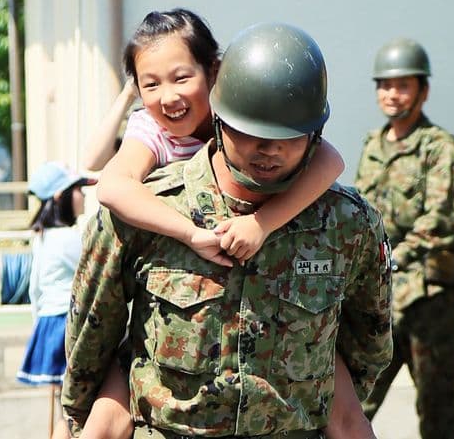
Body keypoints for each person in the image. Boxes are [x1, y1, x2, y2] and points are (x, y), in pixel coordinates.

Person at [62, 22, 393, 439]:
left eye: (289, 136)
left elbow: (368, 348)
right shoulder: (145, 214)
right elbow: (90, 346)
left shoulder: (348, 225)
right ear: (220, 118)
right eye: (252, 132)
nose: (270, 149)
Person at [95, 8, 345, 268]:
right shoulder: (152, 129)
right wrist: (189, 233)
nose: (168, 98)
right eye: (151, 85)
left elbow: (330, 161)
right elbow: (113, 186)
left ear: (213, 71)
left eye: (181, 78)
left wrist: (263, 224)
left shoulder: (235, 114)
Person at [354, 38, 454, 439]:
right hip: (376, 302)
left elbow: (441, 217)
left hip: (425, 302)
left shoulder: (440, 149)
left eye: (403, 85)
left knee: (437, 411)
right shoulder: (372, 145)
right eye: (385, 85)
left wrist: (396, 256)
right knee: (354, 404)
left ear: (423, 90)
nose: (391, 94)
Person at [16, 161, 94, 439]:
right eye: (77, 190)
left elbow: (34, 289)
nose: (83, 196)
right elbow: (98, 271)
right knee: (75, 411)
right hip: (68, 323)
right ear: (61, 197)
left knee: (65, 406)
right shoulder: (67, 239)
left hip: (49, 323)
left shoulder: (44, 237)